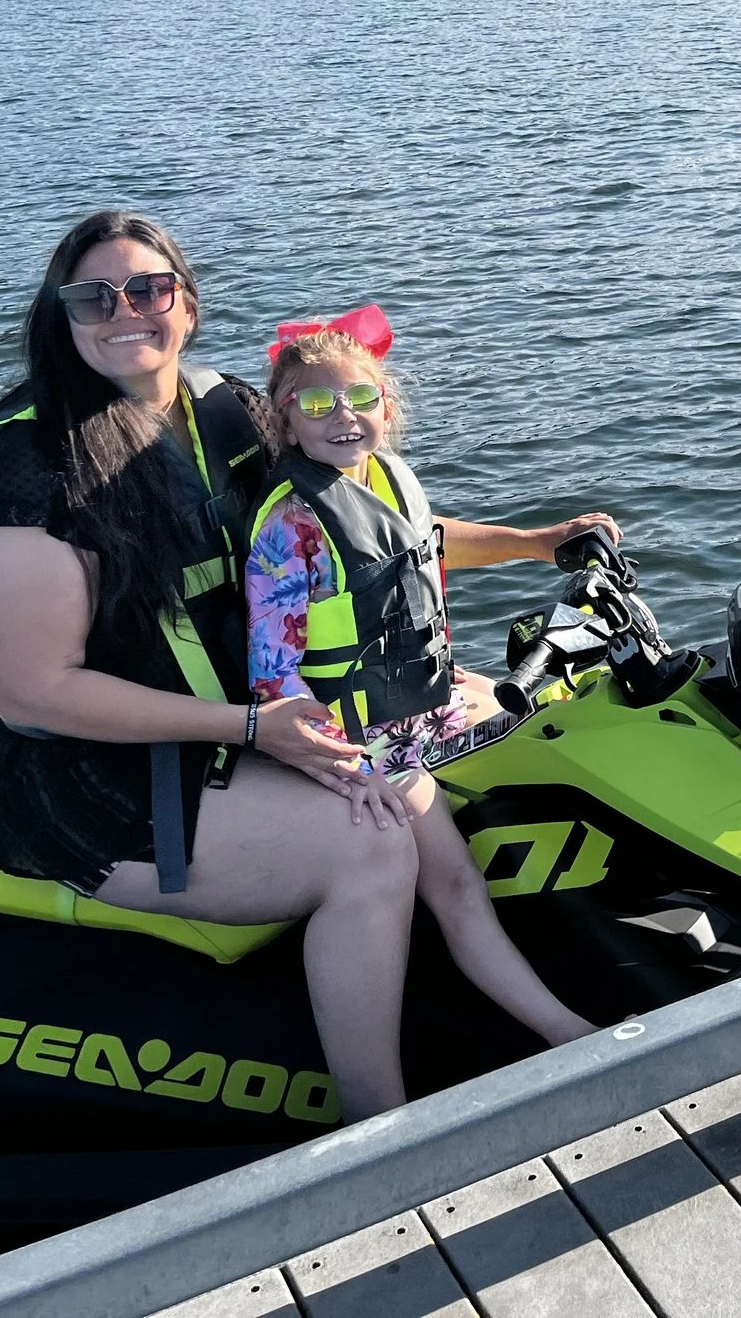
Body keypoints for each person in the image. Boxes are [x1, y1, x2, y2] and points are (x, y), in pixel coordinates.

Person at [0, 211, 433, 1120]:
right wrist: (252, 727)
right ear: (62, 316)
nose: (125, 310)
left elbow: (342, 538)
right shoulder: (28, 469)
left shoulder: (225, 409)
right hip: (94, 779)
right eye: (95, 295)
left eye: (149, 288)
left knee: (465, 756)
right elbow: (34, 691)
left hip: (244, 722)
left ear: (188, 304)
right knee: (372, 849)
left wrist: (532, 545)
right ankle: (382, 1129)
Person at [246, 305, 614, 1052]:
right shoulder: (291, 529)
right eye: (316, 403)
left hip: (427, 704)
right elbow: (272, 675)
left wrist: (541, 543)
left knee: (568, 725)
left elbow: (426, 541)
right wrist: (350, 769)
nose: (342, 416)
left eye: (361, 398)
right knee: (454, 884)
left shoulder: (386, 477)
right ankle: (566, 1031)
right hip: (359, 740)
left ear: (388, 406)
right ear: (285, 424)